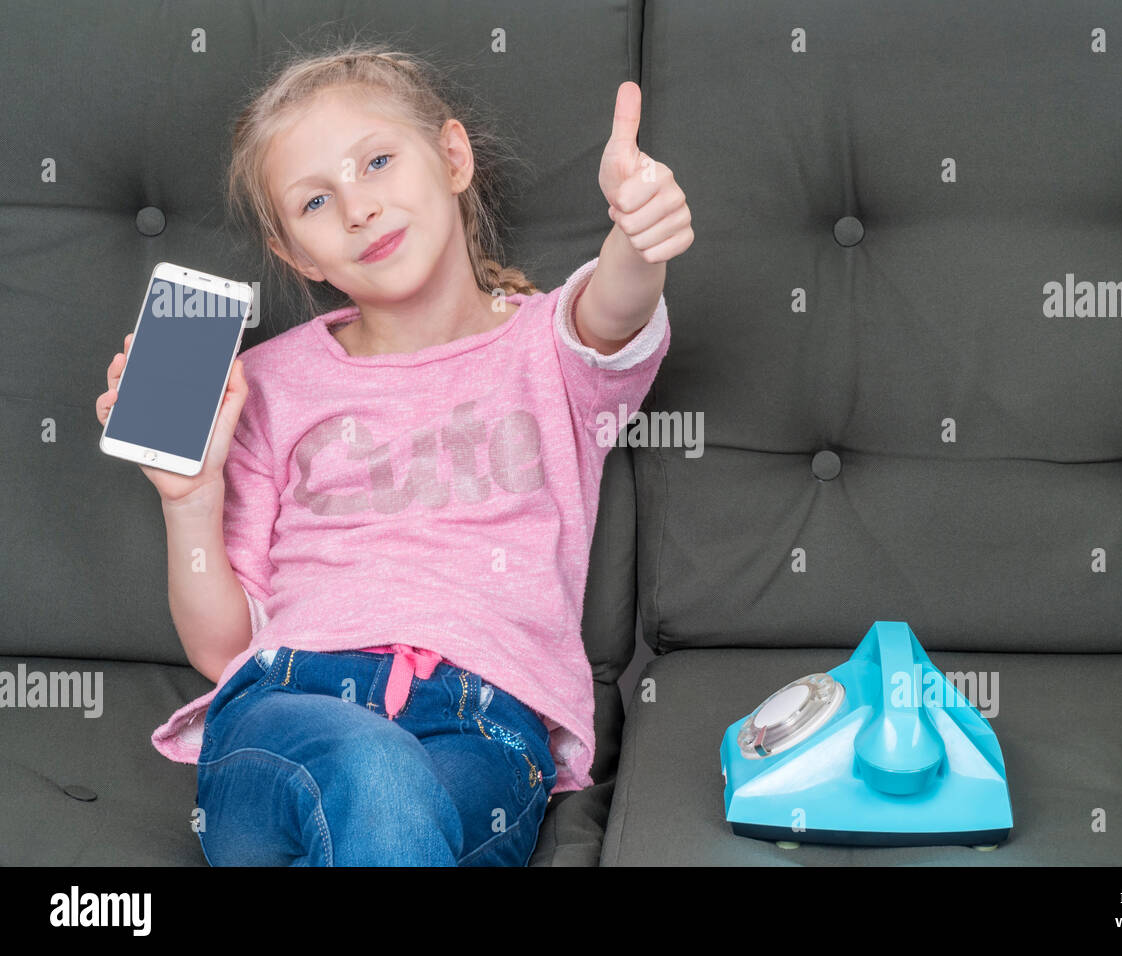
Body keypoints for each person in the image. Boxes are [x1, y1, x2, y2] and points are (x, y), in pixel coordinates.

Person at [93, 40, 692, 866]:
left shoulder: (547, 349)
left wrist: (640, 234)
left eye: (377, 161)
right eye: (315, 202)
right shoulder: (266, 384)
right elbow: (222, 648)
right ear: (299, 257)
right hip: (287, 708)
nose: (359, 208)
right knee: (372, 773)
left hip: (482, 731)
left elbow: (616, 305)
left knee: (396, 813)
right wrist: (189, 498)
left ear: (451, 157)